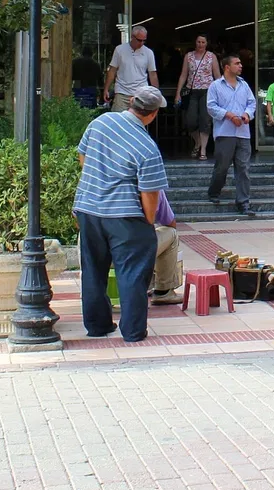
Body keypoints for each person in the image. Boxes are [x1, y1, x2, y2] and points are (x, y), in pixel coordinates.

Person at [73, 86, 169, 342]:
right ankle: (133, 330)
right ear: (153, 113)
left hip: (88, 208)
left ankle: (97, 325)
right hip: (125, 217)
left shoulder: (100, 122)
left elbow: (83, 157)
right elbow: (150, 195)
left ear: (131, 103)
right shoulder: (147, 148)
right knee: (133, 272)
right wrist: (147, 224)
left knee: (93, 269)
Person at [206, 54, 257, 211]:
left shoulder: (244, 85)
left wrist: (247, 114)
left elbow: (252, 102)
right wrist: (229, 115)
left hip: (243, 133)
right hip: (225, 132)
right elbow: (211, 107)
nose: (241, 65)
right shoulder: (215, 86)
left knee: (243, 168)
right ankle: (214, 191)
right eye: (237, 63)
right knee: (222, 167)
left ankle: (243, 202)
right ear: (227, 67)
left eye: (240, 63)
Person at [173, 35, 220, 160]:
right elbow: (183, 75)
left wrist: (221, 93)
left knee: (205, 120)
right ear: (195, 42)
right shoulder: (188, 56)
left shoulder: (211, 57)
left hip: (207, 91)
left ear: (206, 43)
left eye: (203, 42)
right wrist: (178, 93)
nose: (200, 44)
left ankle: (203, 149)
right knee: (190, 121)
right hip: (192, 91)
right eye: (198, 42)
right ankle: (197, 142)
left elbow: (217, 76)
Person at [102, 25, 159, 112]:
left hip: (141, 94)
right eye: (139, 40)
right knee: (118, 121)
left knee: (138, 121)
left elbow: (153, 74)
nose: (142, 43)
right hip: (122, 92)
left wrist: (156, 93)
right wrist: (106, 88)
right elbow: (112, 70)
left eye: (144, 40)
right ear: (132, 37)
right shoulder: (120, 50)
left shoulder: (148, 53)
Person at [150, 189, 183, 306]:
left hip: (99, 252)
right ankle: (163, 291)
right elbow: (169, 222)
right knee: (170, 233)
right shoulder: (151, 182)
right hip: (131, 250)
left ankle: (149, 284)